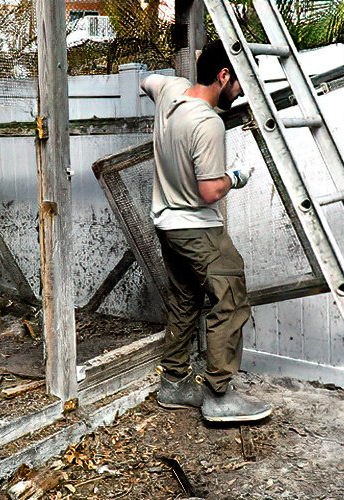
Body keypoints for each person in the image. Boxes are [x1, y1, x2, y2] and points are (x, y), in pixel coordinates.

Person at [142, 40, 271, 423]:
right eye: (240, 83)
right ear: (223, 74)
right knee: (230, 298)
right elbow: (209, 190)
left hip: (166, 224)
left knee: (185, 298)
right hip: (196, 226)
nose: (242, 91)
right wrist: (236, 176)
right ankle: (218, 395)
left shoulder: (170, 91)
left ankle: (175, 382)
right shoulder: (208, 123)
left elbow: (145, 81)